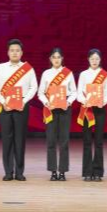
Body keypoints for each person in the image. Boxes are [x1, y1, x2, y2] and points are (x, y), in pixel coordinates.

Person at [0, 39, 38, 181]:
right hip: (5, 105)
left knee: (20, 139)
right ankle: (8, 172)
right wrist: (3, 101)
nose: (15, 53)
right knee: (7, 139)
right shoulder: (0, 68)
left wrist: (24, 101)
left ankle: (19, 172)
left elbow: (33, 87)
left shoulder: (28, 68)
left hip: (22, 105)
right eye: (12, 50)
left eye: (17, 50)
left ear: (21, 52)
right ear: (8, 52)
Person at [37, 47, 76, 181]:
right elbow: (40, 93)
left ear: (62, 59)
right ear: (50, 59)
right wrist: (46, 102)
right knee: (51, 141)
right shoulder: (46, 73)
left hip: (65, 109)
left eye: (58, 57)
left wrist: (68, 102)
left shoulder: (68, 73)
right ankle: (53, 171)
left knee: (64, 141)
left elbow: (74, 92)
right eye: (54, 57)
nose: (56, 60)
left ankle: (63, 171)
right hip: (50, 109)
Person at [76, 49, 107, 181]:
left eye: (97, 59)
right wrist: (84, 101)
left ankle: (97, 172)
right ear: (88, 60)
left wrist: (103, 102)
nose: (94, 61)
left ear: (100, 60)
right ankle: (87, 171)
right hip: (87, 109)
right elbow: (79, 92)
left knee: (99, 141)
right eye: (92, 59)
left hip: (100, 110)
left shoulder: (105, 75)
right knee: (87, 141)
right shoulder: (83, 74)